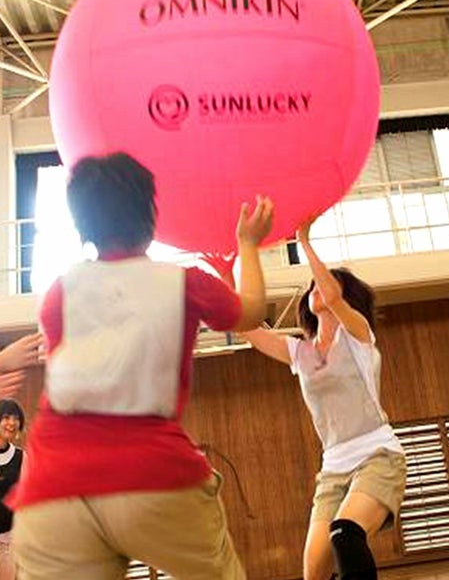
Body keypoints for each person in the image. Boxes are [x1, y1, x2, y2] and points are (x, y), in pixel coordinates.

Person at [9, 152, 274, 580]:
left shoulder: (59, 293)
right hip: (154, 475)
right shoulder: (185, 283)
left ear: (81, 224)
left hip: (54, 487)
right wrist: (247, 244)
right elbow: (253, 311)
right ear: (150, 214)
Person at [240, 218, 406, 580]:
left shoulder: (358, 335)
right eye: (313, 284)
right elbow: (246, 327)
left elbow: (332, 296)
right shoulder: (302, 352)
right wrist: (228, 270)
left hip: (378, 456)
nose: (317, 287)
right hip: (333, 467)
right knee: (313, 572)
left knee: (346, 533)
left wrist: (303, 239)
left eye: (324, 282)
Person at [0, 399, 24, 580]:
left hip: (8, 541)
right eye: (6, 417)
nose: (12, 423)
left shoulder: (22, 457)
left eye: (16, 418)